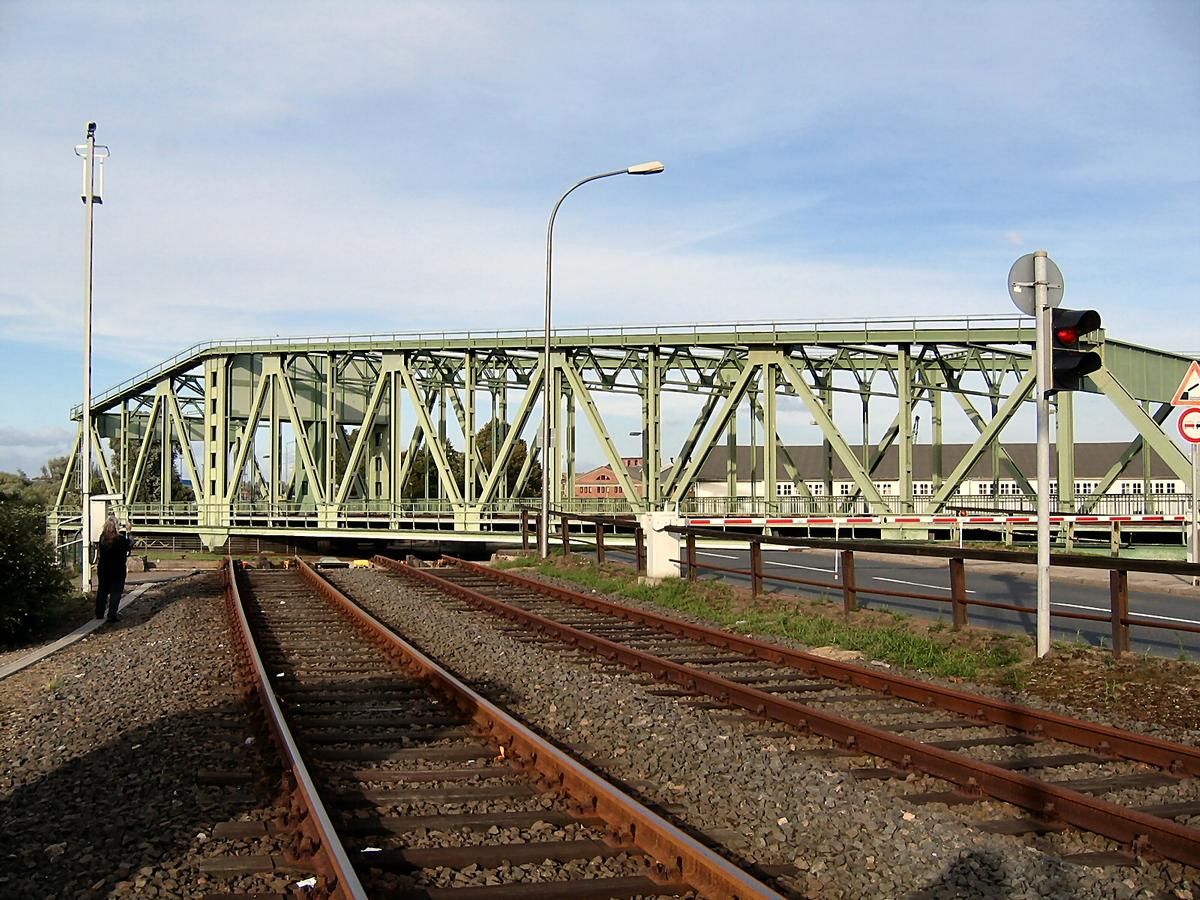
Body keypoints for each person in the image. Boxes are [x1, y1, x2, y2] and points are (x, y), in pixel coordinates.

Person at [95, 517, 132, 622]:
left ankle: (99, 612)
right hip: (117, 569)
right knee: (116, 592)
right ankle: (112, 614)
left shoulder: (102, 538)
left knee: (102, 590)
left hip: (103, 568)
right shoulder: (120, 540)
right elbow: (129, 545)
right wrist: (128, 531)